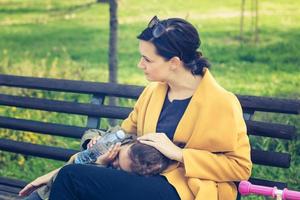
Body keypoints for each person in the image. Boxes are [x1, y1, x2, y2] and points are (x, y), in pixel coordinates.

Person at [48, 16, 252, 200]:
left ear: (174, 62)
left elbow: (240, 168)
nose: (140, 64)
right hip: (143, 180)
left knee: (71, 179)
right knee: (69, 178)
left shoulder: (221, 102)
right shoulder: (153, 93)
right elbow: (122, 134)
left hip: (185, 189)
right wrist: (54, 174)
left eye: (147, 59)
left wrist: (180, 154)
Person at [19, 128, 170, 200]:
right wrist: (94, 139)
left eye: (118, 166)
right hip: (47, 190)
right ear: (130, 142)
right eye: (117, 155)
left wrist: (101, 164)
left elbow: (80, 178)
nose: (113, 160)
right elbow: (93, 131)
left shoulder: (113, 176)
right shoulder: (121, 138)